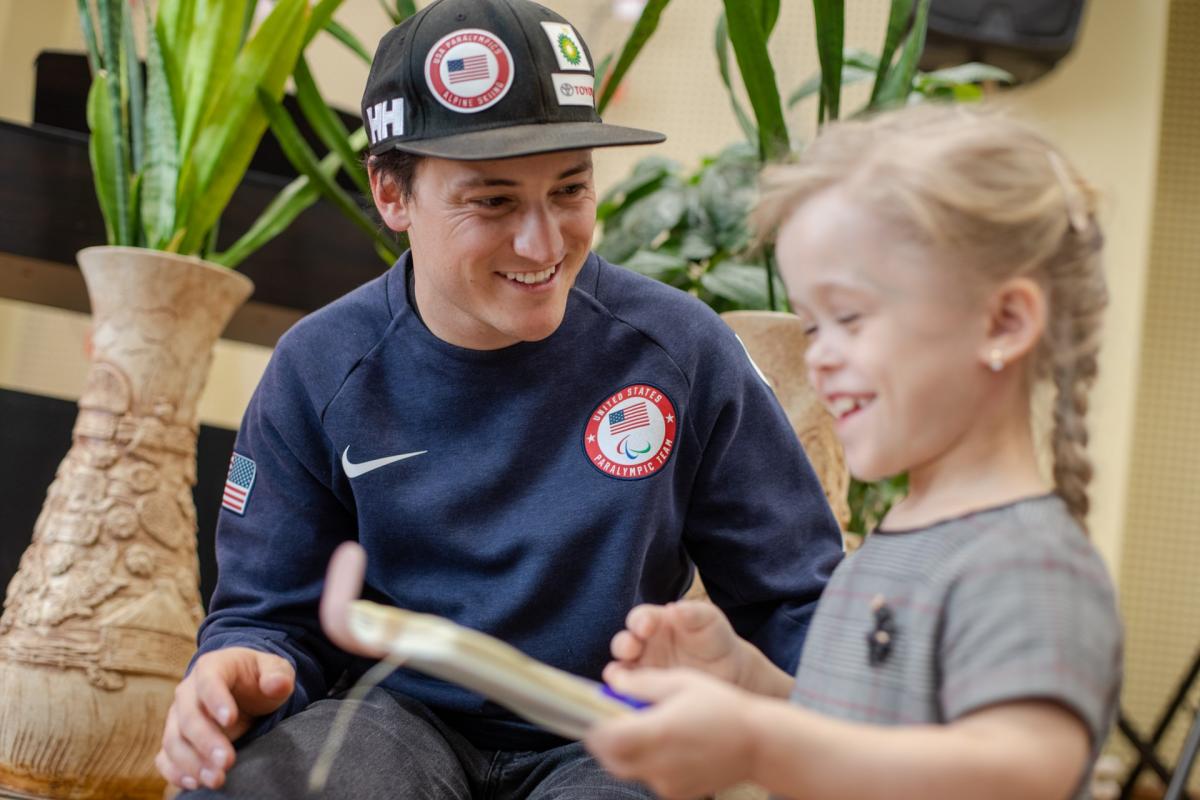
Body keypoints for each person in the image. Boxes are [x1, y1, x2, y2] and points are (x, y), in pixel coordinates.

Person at [154, 0, 844, 796]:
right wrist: (240, 667)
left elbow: (799, 599)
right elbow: (267, 618)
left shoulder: (681, 351)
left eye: (571, 190)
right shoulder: (320, 366)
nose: (543, 244)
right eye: (493, 201)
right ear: (391, 193)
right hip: (393, 722)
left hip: (603, 730)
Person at [584, 104, 1124, 800]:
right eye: (812, 328)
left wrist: (757, 740)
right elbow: (869, 743)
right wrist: (750, 686)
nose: (821, 361)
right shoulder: (898, 544)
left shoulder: (1027, 564)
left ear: (1005, 321)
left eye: (852, 319)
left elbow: (1018, 769)